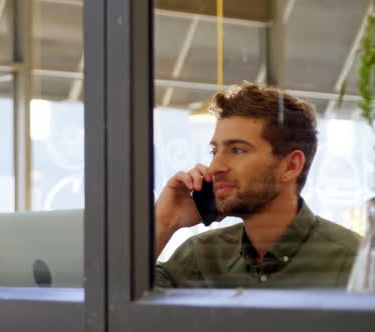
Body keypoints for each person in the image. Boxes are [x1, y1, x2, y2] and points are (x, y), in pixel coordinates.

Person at [154, 82, 362, 289]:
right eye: (214, 151)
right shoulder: (202, 257)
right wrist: (164, 222)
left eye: (237, 150)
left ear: (291, 166)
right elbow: (124, 303)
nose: (215, 166)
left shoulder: (355, 263)